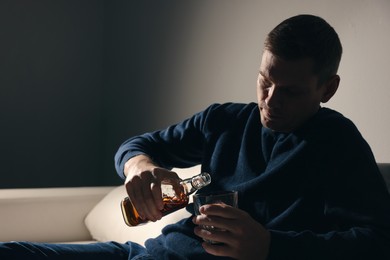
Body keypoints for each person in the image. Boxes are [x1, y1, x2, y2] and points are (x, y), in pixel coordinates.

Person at [1, 14, 390, 260]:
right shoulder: (224, 120)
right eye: (264, 81)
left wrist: (271, 247)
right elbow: (136, 146)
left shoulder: (338, 143)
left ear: (328, 89)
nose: (270, 101)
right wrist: (141, 169)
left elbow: (376, 240)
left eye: (290, 91)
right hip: (146, 254)